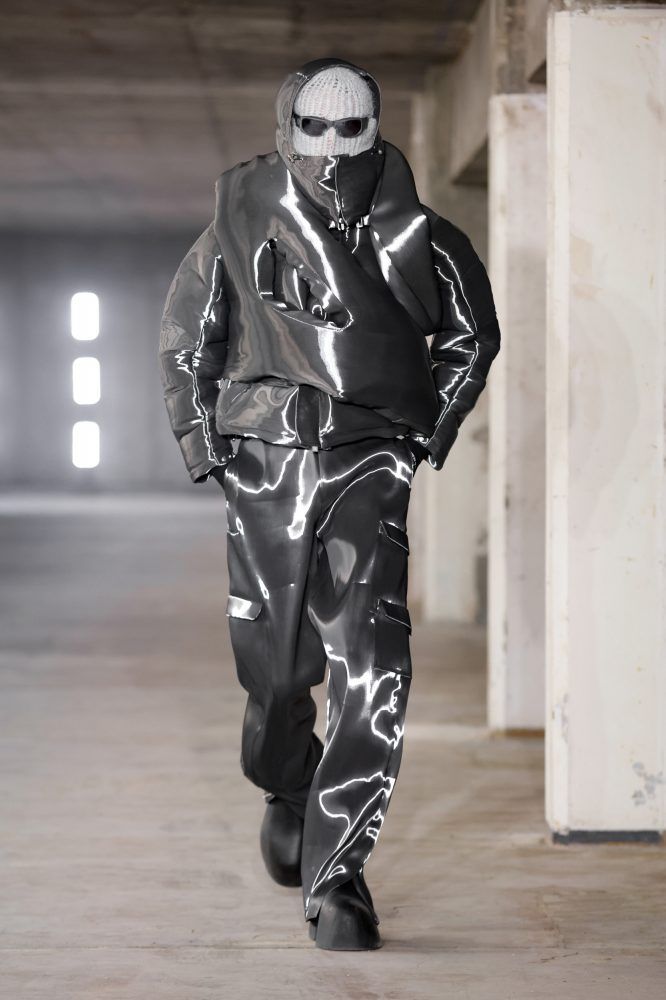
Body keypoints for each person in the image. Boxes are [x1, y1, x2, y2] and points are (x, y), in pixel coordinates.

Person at [158, 56, 501, 951]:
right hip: (267, 461)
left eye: (354, 126)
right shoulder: (237, 224)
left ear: (377, 129)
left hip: (368, 462)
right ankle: (285, 782)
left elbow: (472, 336)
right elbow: (189, 338)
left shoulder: (422, 235)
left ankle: (340, 874)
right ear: (287, 126)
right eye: (315, 124)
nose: (334, 144)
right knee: (275, 669)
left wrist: (418, 437)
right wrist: (206, 445)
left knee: (371, 663)